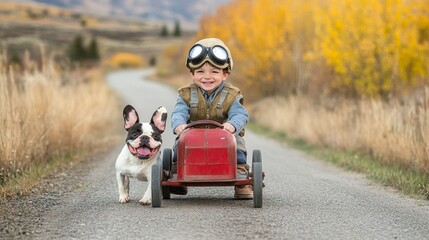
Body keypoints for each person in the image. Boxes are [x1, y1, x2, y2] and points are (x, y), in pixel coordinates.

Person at [170, 37, 253, 199]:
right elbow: (179, 112)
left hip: (225, 137)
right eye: (200, 72)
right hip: (192, 138)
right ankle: (177, 171)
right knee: (178, 150)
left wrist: (232, 124)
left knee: (238, 151)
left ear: (225, 74)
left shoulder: (232, 94)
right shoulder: (185, 93)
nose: (207, 77)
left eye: (214, 72)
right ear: (192, 74)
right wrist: (179, 124)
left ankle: (241, 176)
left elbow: (240, 113)